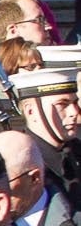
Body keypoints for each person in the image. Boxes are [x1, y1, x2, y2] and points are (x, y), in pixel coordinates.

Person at [14, 65, 81, 195]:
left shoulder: (76, 151)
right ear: (31, 111)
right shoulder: (21, 164)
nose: (74, 112)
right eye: (62, 105)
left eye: (75, 103)